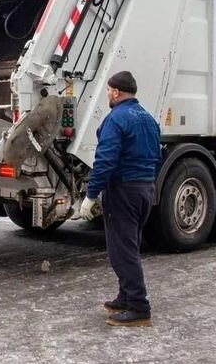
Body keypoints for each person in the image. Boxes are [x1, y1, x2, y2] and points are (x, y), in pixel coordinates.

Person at [78, 71, 161, 327]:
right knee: (130, 247)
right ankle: (125, 296)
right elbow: (157, 157)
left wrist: (91, 195)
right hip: (145, 189)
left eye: (108, 91)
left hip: (123, 191)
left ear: (115, 92)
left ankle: (139, 307)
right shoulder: (148, 119)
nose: (108, 96)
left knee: (122, 252)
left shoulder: (116, 119)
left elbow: (105, 161)